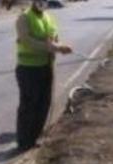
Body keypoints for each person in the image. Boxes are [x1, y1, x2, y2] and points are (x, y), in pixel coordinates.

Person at [15, 0, 72, 151]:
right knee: (29, 106)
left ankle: (34, 138)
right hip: (28, 69)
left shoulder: (49, 17)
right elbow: (27, 41)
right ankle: (24, 141)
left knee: (43, 105)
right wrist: (54, 48)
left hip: (46, 67)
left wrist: (59, 46)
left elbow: (54, 37)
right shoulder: (24, 18)